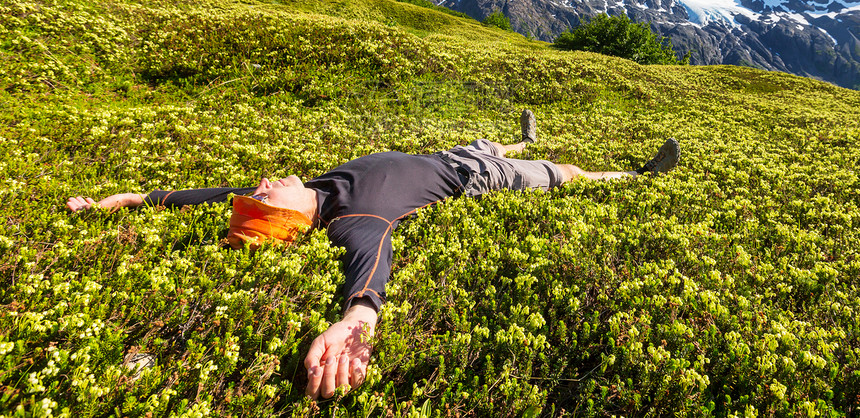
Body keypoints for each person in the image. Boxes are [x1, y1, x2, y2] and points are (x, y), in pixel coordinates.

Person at [66, 111, 680, 400]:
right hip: (478, 179)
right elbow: (371, 263)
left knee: (489, 138)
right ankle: (633, 175)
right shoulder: (354, 220)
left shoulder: (313, 191)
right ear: (286, 216)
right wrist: (358, 317)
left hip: (445, 153)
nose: (261, 183)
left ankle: (520, 134)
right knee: (563, 172)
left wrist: (125, 199)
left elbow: (211, 194)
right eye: (263, 194)